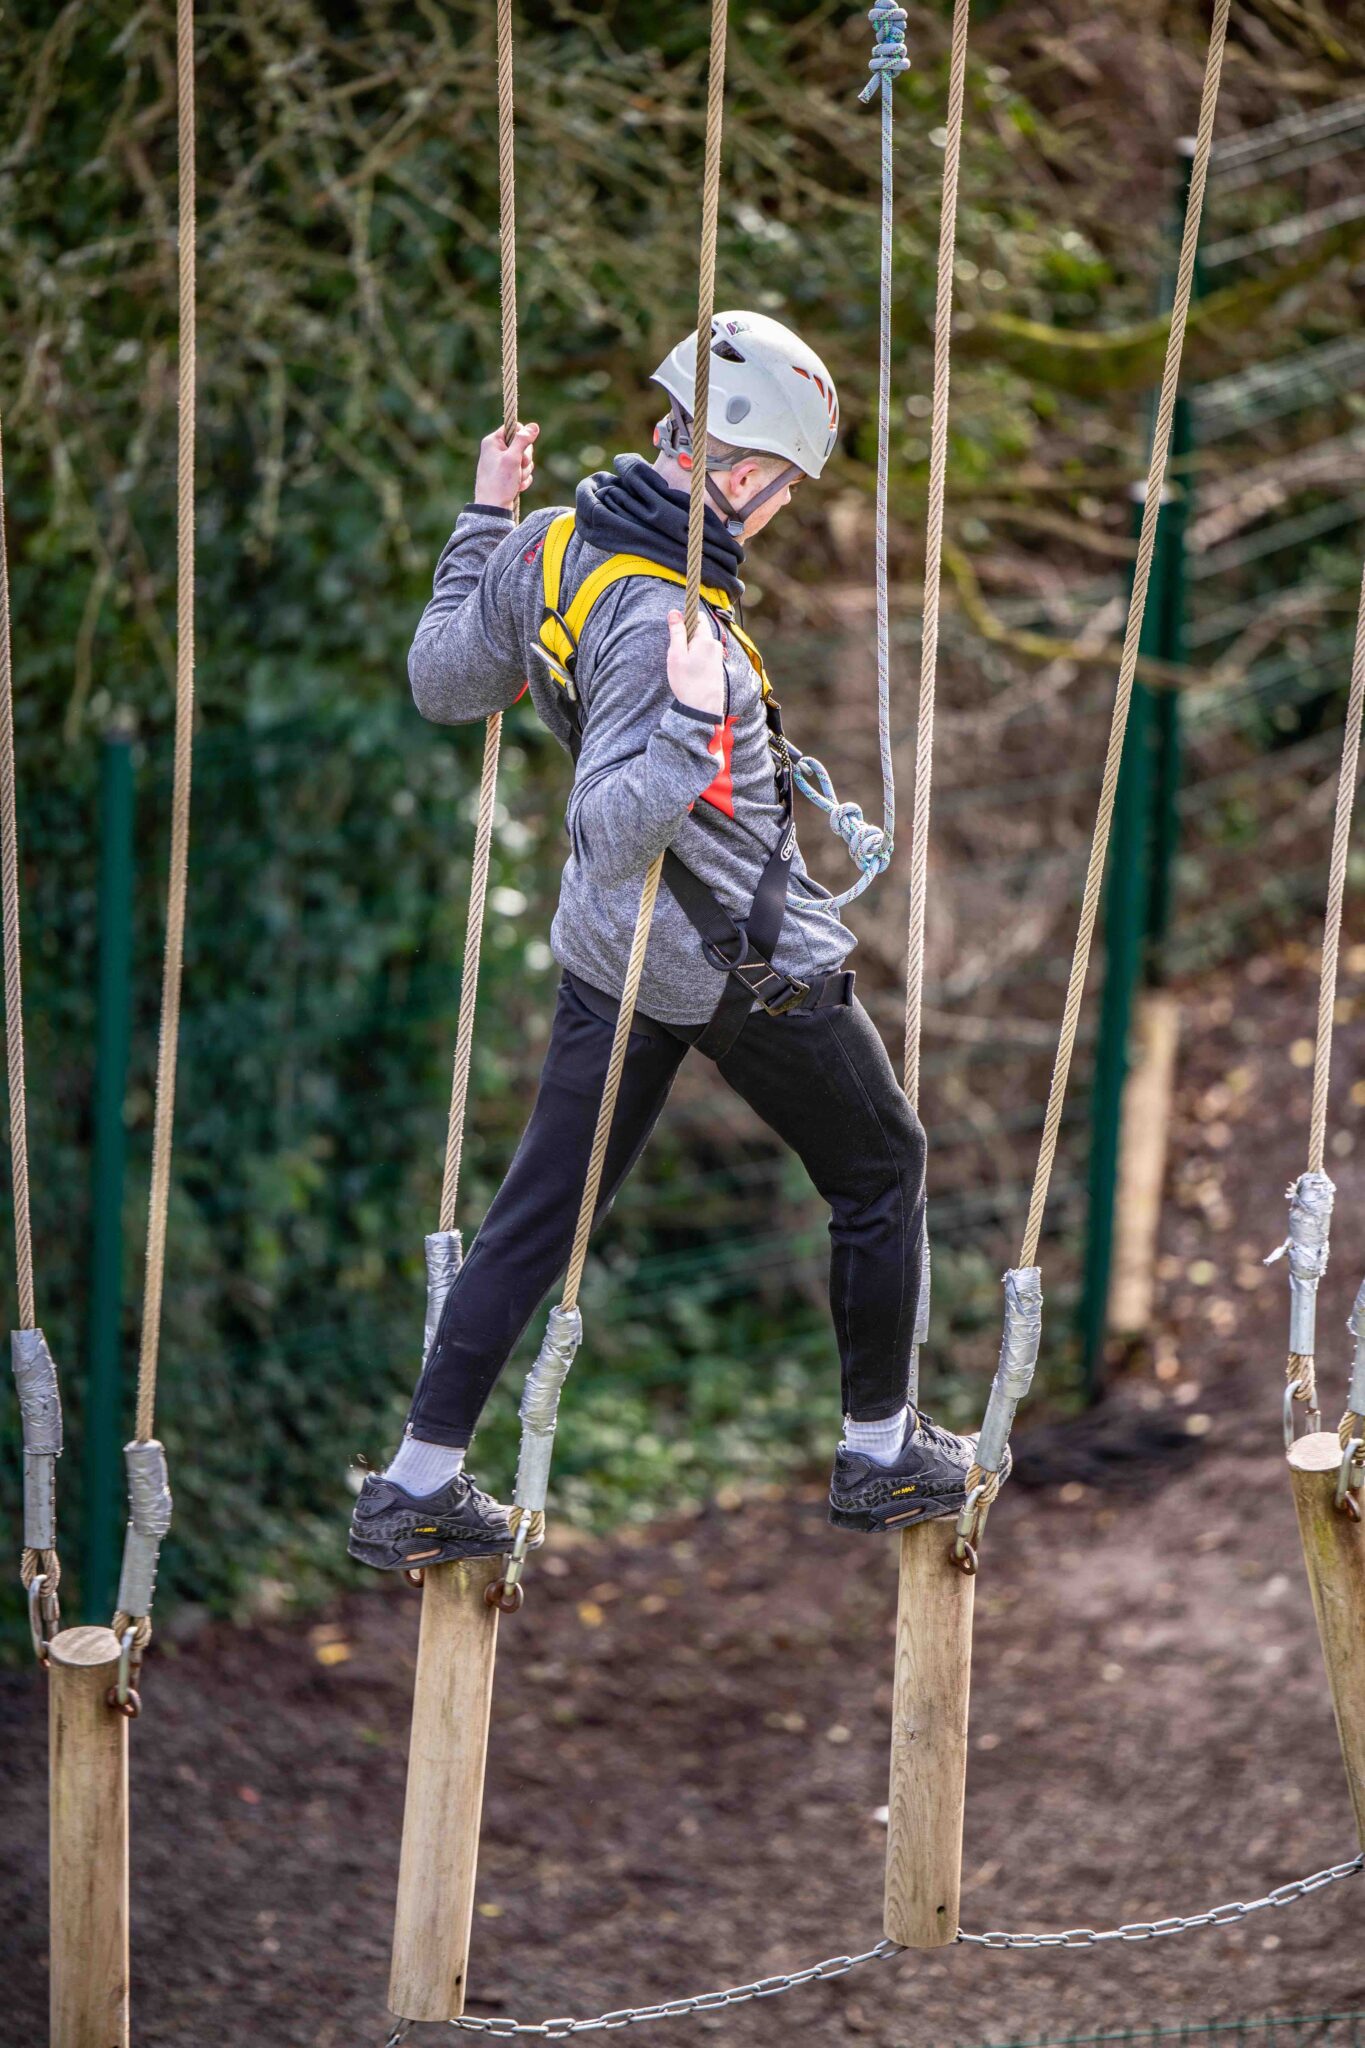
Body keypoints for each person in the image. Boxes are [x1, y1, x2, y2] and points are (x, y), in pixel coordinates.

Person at [348, 311, 1007, 1573]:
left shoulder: (553, 544)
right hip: (735, 960)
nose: (780, 513)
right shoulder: (668, 628)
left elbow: (443, 680)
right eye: (787, 491)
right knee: (883, 1168)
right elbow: (605, 828)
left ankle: (414, 1481)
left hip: (613, 958)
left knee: (539, 1211)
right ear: (746, 475)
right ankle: (879, 1448)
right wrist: (684, 731)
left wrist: (484, 521)